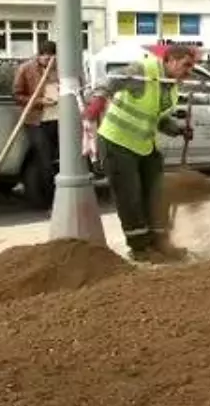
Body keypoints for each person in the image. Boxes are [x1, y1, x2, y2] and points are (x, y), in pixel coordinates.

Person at [82, 43, 196, 261]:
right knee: (130, 198)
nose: (189, 71)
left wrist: (178, 129)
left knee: (157, 194)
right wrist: (98, 100)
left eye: (191, 66)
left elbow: (157, 118)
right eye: (186, 65)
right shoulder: (144, 71)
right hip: (117, 143)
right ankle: (140, 249)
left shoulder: (170, 85)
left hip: (144, 146)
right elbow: (110, 81)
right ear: (170, 60)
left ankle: (160, 242)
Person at [12, 41, 59, 204]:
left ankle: (55, 194)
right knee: (44, 158)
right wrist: (40, 101)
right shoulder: (26, 69)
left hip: (57, 120)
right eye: (45, 57)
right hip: (36, 121)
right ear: (39, 55)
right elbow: (17, 95)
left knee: (56, 158)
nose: (48, 60)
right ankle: (48, 199)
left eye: (51, 57)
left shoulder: (59, 68)